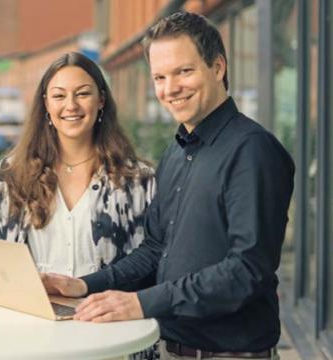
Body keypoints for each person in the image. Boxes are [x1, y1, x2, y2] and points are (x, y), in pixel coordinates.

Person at [42, 11, 294, 360]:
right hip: (173, 350)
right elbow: (155, 249)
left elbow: (246, 270)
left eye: (183, 72)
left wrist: (141, 303)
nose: (170, 88)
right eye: (160, 77)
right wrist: (83, 285)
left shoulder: (252, 150)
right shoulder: (177, 152)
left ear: (218, 68)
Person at [0, 52, 157, 359]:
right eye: (59, 95)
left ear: (101, 100)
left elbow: (151, 264)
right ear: (46, 105)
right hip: (28, 341)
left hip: (110, 342)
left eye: (83, 93)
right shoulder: (12, 173)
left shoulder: (137, 180)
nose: (71, 105)